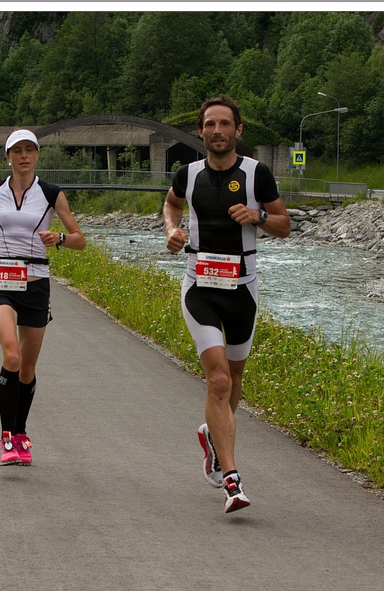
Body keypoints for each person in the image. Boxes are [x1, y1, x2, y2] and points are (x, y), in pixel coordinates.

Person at [162, 95, 290, 514]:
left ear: (238, 130)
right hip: (200, 286)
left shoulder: (257, 174)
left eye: (225, 124)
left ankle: (212, 438)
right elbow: (171, 204)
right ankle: (231, 479)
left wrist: (258, 217)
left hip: (243, 289)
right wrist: (172, 230)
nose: (217, 131)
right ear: (200, 131)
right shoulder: (188, 174)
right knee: (217, 381)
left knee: (233, 382)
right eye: (210, 124)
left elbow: (285, 225)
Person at [0, 129, 86, 466]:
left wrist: (59, 238)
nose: (24, 156)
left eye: (30, 150)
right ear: (8, 157)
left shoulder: (51, 193)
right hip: (1, 279)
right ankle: (6, 439)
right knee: (12, 357)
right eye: (17, 151)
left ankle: (20, 434)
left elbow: (79, 239)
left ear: (37, 155)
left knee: (27, 369)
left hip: (36, 283)